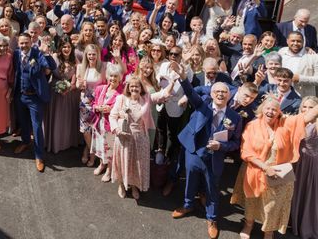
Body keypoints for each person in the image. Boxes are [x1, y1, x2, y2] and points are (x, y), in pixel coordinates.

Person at [231, 94, 318, 239]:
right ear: (262, 109)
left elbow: (306, 117)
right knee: (253, 201)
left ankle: (269, 232)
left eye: (274, 110)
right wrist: (265, 168)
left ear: (279, 113)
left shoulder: (286, 124)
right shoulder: (252, 125)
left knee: (272, 207)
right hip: (256, 170)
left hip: (279, 173)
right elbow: (246, 152)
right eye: (268, 108)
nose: (270, 112)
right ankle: (249, 225)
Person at [172, 80, 243, 239]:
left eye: (223, 92)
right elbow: (191, 93)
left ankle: (211, 219)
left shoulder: (235, 117)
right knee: (190, 180)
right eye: (216, 91)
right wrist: (183, 77)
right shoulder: (203, 106)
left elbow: (236, 142)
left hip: (215, 157)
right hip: (195, 152)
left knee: (212, 188)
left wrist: (222, 146)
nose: (220, 94)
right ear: (211, 94)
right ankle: (188, 205)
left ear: (229, 95)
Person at [110, 74, 176, 199]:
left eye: (137, 87)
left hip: (141, 138)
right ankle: (121, 185)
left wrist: (172, 82)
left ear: (141, 88)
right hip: (124, 137)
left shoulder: (146, 98)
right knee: (123, 162)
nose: (134, 89)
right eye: (132, 86)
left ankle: (134, 186)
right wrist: (117, 130)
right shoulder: (121, 99)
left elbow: (163, 94)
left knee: (137, 164)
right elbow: (112, 116)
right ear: (128, 88)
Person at [13, 33, 57, 172]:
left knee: (37, 127)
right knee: (23, 122)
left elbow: (52, 66)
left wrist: (46, 53)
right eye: (21, 43)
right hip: (20, 95)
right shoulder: (15, 54)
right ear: (18, 43)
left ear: (31, 42)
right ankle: (25, 142)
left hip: (35, 98)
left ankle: (39, 156)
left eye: (26, 42)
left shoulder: (38, 53)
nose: (24, 45)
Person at [44, 36, 81, 154]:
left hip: (70, 94)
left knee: (67, 118)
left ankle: (67, 141)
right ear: (60, 48)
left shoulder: (74, 59)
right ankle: (55, 142)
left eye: (69, 46)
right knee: (57, 117)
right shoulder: (54, 57)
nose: (66, 49)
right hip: (55, 92)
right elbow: (47, 72)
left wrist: (71, 86)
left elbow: (76, 76)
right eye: (64, 46)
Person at [291, 96, 318, 239]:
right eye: (304, 107)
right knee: (296, 191)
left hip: (312, 164)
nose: (306, 110)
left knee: (309, 193)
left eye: (311, 107)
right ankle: (293, 220)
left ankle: (307, 225)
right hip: (297, 163)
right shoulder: (298, 121)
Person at [77, 43, 108, 166]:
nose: (91, 56)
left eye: (94, 54)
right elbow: (79, 85)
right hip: (85, 102)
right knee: (85, 131)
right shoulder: (81, 67)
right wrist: (80, 85)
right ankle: (91, 151)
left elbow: (107, 84)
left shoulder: (103, 67)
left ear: (98, 55)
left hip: (98, 102)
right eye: (89, 54)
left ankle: (89, 152)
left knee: (95, 130)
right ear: (86, 55)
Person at [91, 63, 124, 181]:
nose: (113, 79)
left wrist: (111, 110)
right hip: (99, 123)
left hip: (110, 126)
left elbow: (122, 112)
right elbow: (93, 104)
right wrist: (98, 108)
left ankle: (109, 170)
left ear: (120, 77)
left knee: (109, 148)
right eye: (111, 76)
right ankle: (101, 164)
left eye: (115, 76)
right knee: (100, 146)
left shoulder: (121, 94)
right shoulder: (101, 88)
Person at [279, 31, 318, 97]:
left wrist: (300, 78)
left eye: (298, 41)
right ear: (287, 41)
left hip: (304, 97)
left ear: (303, 42)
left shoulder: (313, 56)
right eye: (293, 41)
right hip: (283, 96)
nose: (295, 43)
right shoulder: (281, 52)